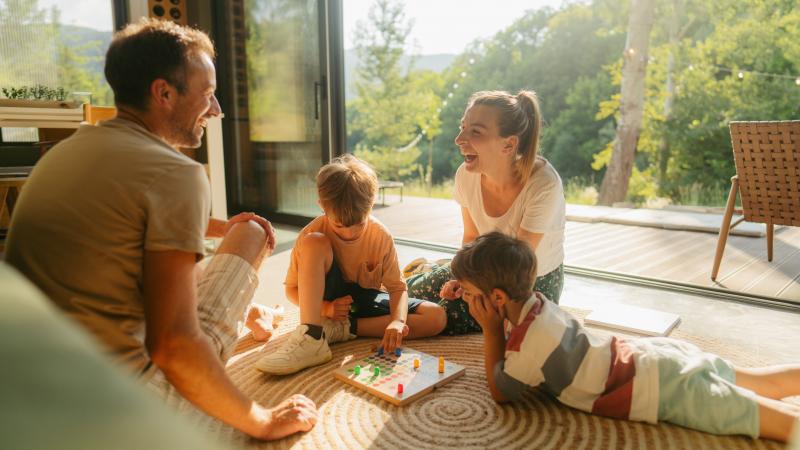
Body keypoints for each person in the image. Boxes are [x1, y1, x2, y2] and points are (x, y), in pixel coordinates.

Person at [5, 19, 316, 441]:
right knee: (253, 233)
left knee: (221, 241)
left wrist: (217, 226)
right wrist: (262, 420)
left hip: (33, 377)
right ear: (164, 94)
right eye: (207, 95)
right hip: (117, 402)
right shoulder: (176, 174)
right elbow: (174, 347)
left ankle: (239, 304)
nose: (217, 109)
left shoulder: (66, 151)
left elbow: (127, 220)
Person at [451, 232, 800, 443]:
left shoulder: (529, 345)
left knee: (775, 423)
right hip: (655, 356)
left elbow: (501, 391)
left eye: (468, 292)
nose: (466, 298)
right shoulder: (538, 304)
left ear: (497, 298)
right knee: (758, 382)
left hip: (659, 386)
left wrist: (491, 330)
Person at [255, 155, 447, 375]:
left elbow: (397, 288)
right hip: (326, 302)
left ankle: (343, 330)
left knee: (436, 317)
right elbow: (291, 290)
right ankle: (312, 336)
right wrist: (326, 308)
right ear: (322, 207)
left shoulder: (380, 235)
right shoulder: (310, 235)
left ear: (371, 204)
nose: (350, 233)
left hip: (364, 301)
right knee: (314, 243)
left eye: (358, 224)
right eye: (339, 225)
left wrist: (396, 321)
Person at [406, 90, 566, 336]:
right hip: (481, 268)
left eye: (475, 132)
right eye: (462, 127)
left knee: (441, 315)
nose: (459, 139)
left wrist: (469, 287)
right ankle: (422, 275)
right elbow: (470, 236)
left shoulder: (543, 184)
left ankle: (359, 324)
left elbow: (517, 267)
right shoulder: (466, 175)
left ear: (509, 144)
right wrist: (460, 277)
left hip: (525, 283)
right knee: (409, 291)